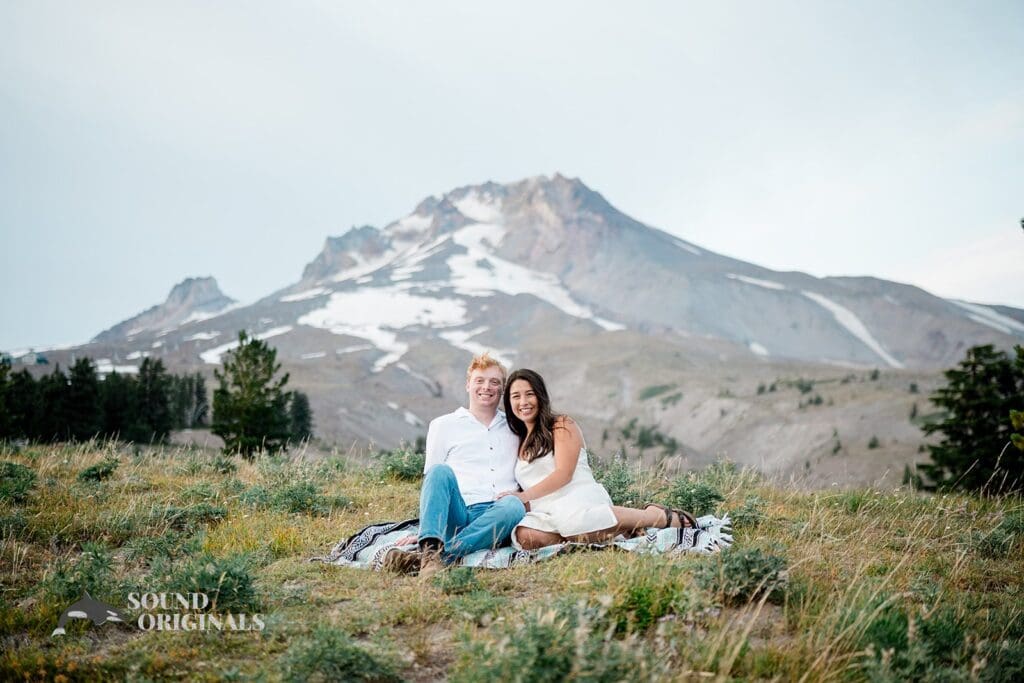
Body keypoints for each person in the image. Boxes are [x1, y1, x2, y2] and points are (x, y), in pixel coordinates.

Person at [498, 368, 697, 550]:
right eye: (516, 396)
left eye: (529, 394)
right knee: (524, 536)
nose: (523, 402)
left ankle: (655, 517)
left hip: (577, 498)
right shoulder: (520, 440)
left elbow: (564, 474)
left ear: (540, 396)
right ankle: (614, 530)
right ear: (509, 403)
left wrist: (524, 496)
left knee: (574, 524)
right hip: (546, 511)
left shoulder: (561, 424)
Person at [383, 353, 526, 578]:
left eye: (494, 382)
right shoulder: (443, 425)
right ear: (468, 385)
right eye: (479, 380)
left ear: (502, 389)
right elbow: (433, 485)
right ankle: (431, 548)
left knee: (514, 505)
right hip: (457, 512)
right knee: (439, 471)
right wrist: (425, 529)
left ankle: (431, 559)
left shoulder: (516, 427)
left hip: (496, 515)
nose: (486, 387)